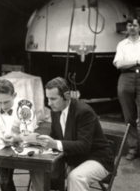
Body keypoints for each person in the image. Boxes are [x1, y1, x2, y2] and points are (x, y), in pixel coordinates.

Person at [30, 77, 114, 191]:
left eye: (53, 99)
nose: (49, 103)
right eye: (48, 98)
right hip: (72, 158)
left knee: (76, 177)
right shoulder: (55, 111)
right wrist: (37, 140)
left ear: (67, 96)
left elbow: (84, 145)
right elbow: (55, 136)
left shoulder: (84, 112)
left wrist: (54, 144)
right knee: (38, 167)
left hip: (97, 159)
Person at [113, 15, 140, 160]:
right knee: (129, 116)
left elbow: (124, 62)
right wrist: (137, 61)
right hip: (126, 78)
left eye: (135, 25)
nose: (132, 28)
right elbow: (119, 64)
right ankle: (133, 149)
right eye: (129, 25)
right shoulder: (122, 44)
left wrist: (127, 62)